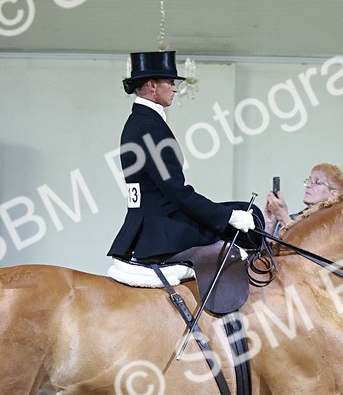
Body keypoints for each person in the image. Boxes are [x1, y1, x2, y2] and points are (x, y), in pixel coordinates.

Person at [107, 50, 258, 262]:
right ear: (152, 85)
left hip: (149, 221)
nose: (176, 89)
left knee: (243, 209)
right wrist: (229, 216)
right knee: (249, 219)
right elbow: (177, 192)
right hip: (161, 227)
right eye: (170, 82)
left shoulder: (139, 122)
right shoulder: (149, 127)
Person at [264, 163, 343, 233]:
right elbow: (269, 252)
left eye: (317, 182)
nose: (308, 185)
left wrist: (284, 218)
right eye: (309, 181)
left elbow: (309, 248)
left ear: (333, 194)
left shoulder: (339, 224)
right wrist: (269, 226)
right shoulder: (294, 219)